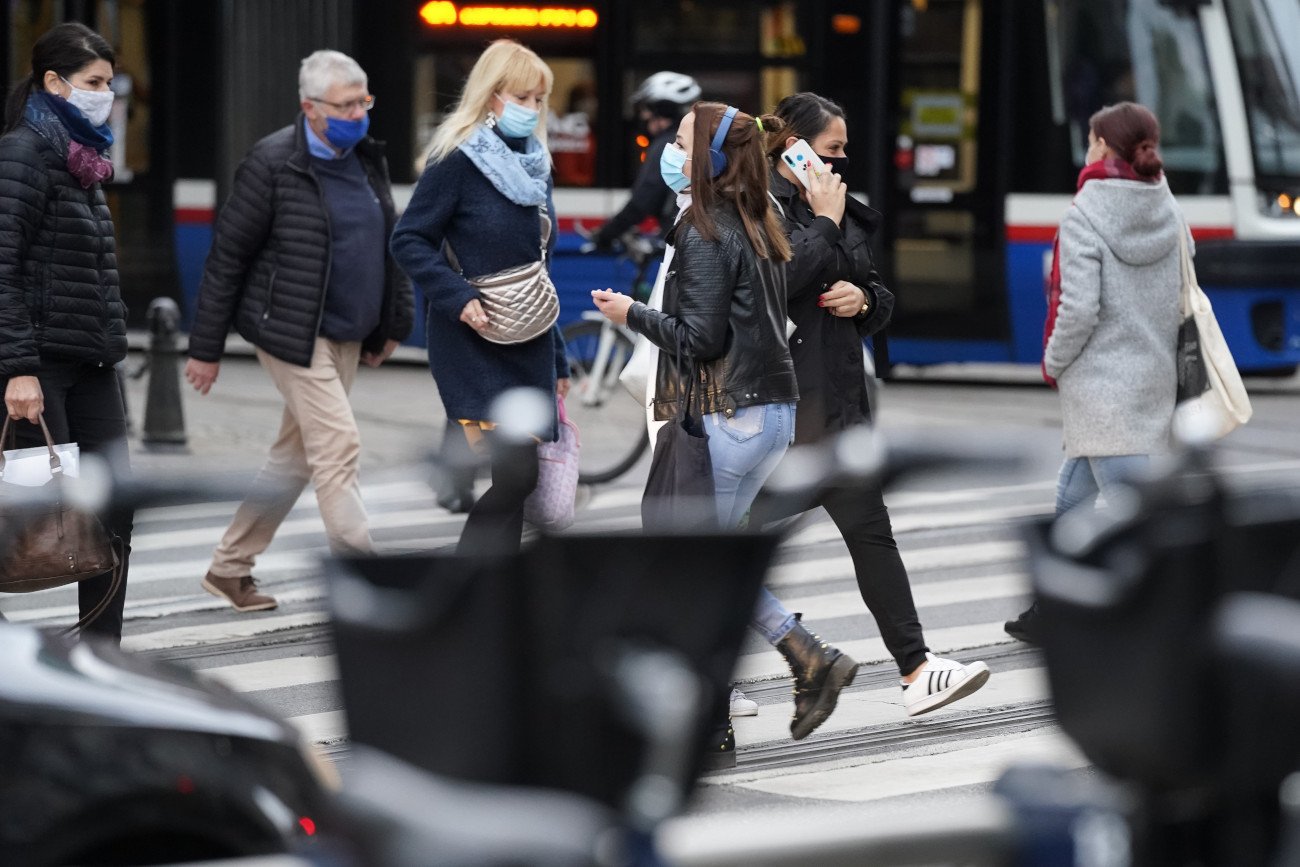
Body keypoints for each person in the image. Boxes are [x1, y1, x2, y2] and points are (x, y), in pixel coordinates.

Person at [592, 102, 856, 750]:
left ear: (708, 155)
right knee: (709, 566)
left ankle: (792, 668)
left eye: (681, 138)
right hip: (770, 414)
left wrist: (631, 313)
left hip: (728, 416)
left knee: (689, 567)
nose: (668, 148)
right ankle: (781, 674)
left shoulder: (704, 228)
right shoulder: (760, 215)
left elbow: (701, 336)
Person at [759, 92, 990, 716]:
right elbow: (772, 286)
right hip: (777, 411)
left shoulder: (846, 212)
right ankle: (714, 682)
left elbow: (881, 298)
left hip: (838, 403)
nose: (840, 162)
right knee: (726, 547)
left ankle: (916, 669)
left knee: (871, 535)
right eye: (831, 150)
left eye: (841, 151)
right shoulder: (759, 210)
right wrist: (825, 223)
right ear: (793, 149)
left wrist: (861, 302)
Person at [184, 50, 414, 612]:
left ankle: (229, 567)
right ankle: (365, 582)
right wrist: (205, 349)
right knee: (338, 445)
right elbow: (229, 256)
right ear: (310, 109)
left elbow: (389, 243)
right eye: (346, 104)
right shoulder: (272, 163)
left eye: (365, 101)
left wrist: (393, 321)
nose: (359, 113)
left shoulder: (365, 156)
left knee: (296, 457)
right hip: (289, 330)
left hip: (348, 332)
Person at [1005, 101, 1182, 642]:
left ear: (1103, 147)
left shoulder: (1086, 213)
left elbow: (1078, 309)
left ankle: (1167, 620)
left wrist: (1054, 360)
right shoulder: (1167, 206)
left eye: (1090, 139)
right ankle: (1048, 606)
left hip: (1101, 384)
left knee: (1137, 518)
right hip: (1151, 373)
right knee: (1075, 492)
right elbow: (1183, 290)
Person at [390, 39, 569, 556]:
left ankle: (489, 599)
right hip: (476, 339)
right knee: (515, 481)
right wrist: (456, 296)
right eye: (523, 97)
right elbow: (408, 239)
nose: (533, 111)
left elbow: (541, 269)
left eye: (540, 99)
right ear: (491, 96)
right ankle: (464, 593)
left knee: (519, 481)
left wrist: (558, 357)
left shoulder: (534, 166)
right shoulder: (456, 160)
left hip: (530, 343)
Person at [0, 23, 131, 642]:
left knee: (110, 512)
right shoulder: (24, 154)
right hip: (40, 367)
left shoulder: (83, 161)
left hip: (92, 365)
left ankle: (103, 656)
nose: (107, 93)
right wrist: (17, 367)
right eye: (94, 83)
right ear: (54, 83)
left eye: (110, 82)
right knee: (25, 518)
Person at [586, 71, 701, 250]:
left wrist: (606, 234)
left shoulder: (668, 144)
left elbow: (644, 198)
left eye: (647, 108)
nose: (644, 116)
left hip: (683, 243)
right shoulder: (698, 141)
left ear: (662, 109)